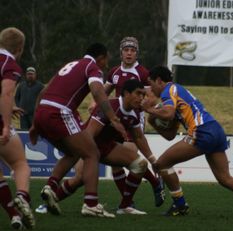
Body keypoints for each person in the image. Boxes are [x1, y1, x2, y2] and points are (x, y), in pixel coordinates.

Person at [29, 42, 127, 218]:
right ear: (101, 57)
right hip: (59, 112)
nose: (105, 65)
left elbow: (44, 91)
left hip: (42, 112)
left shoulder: (70, 64)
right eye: (106, 61)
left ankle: (50, 187)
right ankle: (91, 204)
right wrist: (113, 118)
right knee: (92, 153)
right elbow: (97, 91)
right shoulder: (93, 67)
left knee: (73, 152)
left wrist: (35, 123)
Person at [141, 66, 233, 216]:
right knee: (224, 178)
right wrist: (154, 122)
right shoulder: (176, 94)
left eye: (151, 83)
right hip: (215, 130)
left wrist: (149, 110)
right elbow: (170, 135)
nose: (150, 88)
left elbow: (168, 114)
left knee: (162, 164)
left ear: (159, 81)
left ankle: (180, 205)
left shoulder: (169, 89)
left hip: (202, 131)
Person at [42, 79, 153, 215]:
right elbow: (89, 134)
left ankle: (124, 206)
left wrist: (153, 159)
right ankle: (49, 204)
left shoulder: (134, 113)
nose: (141, 98)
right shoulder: (110, 106)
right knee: (80, 178)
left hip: (107, 147)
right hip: (90, 146)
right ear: (126, 93)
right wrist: (85, 156)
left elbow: (139, 138)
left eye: (143, 94)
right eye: (138, 93)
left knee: (139, 164)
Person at [89, 36, 164, 207]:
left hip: (133, 121)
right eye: (126, 50)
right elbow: (103, 92)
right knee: (116, 164)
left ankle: (154, 184)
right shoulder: (114, 72)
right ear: (121, 52)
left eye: (132, 50)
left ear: (137, 54)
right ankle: (128, 202)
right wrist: (94, 104)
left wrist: (146, 104)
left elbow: (150, 99)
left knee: (130, 158)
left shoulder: (143, 73)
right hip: (115, 120)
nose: (129, 53)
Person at [0, 27, 35, 229]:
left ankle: (14, 216)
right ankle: (22, 195)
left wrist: (9, 106)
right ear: (20, 48)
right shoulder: (9, 63)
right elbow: (6, 92)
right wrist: (6, 125)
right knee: (20, 164)